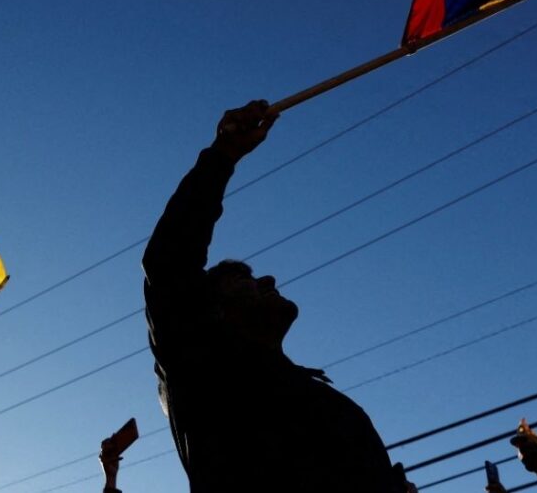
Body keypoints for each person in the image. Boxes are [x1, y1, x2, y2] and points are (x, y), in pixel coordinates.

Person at [142, 100, 410, 492]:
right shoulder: (204, 371)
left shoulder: (321, 398)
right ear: (212, 312)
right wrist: (224, 155)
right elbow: (169, 262)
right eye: (242, 278)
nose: (267, 278)